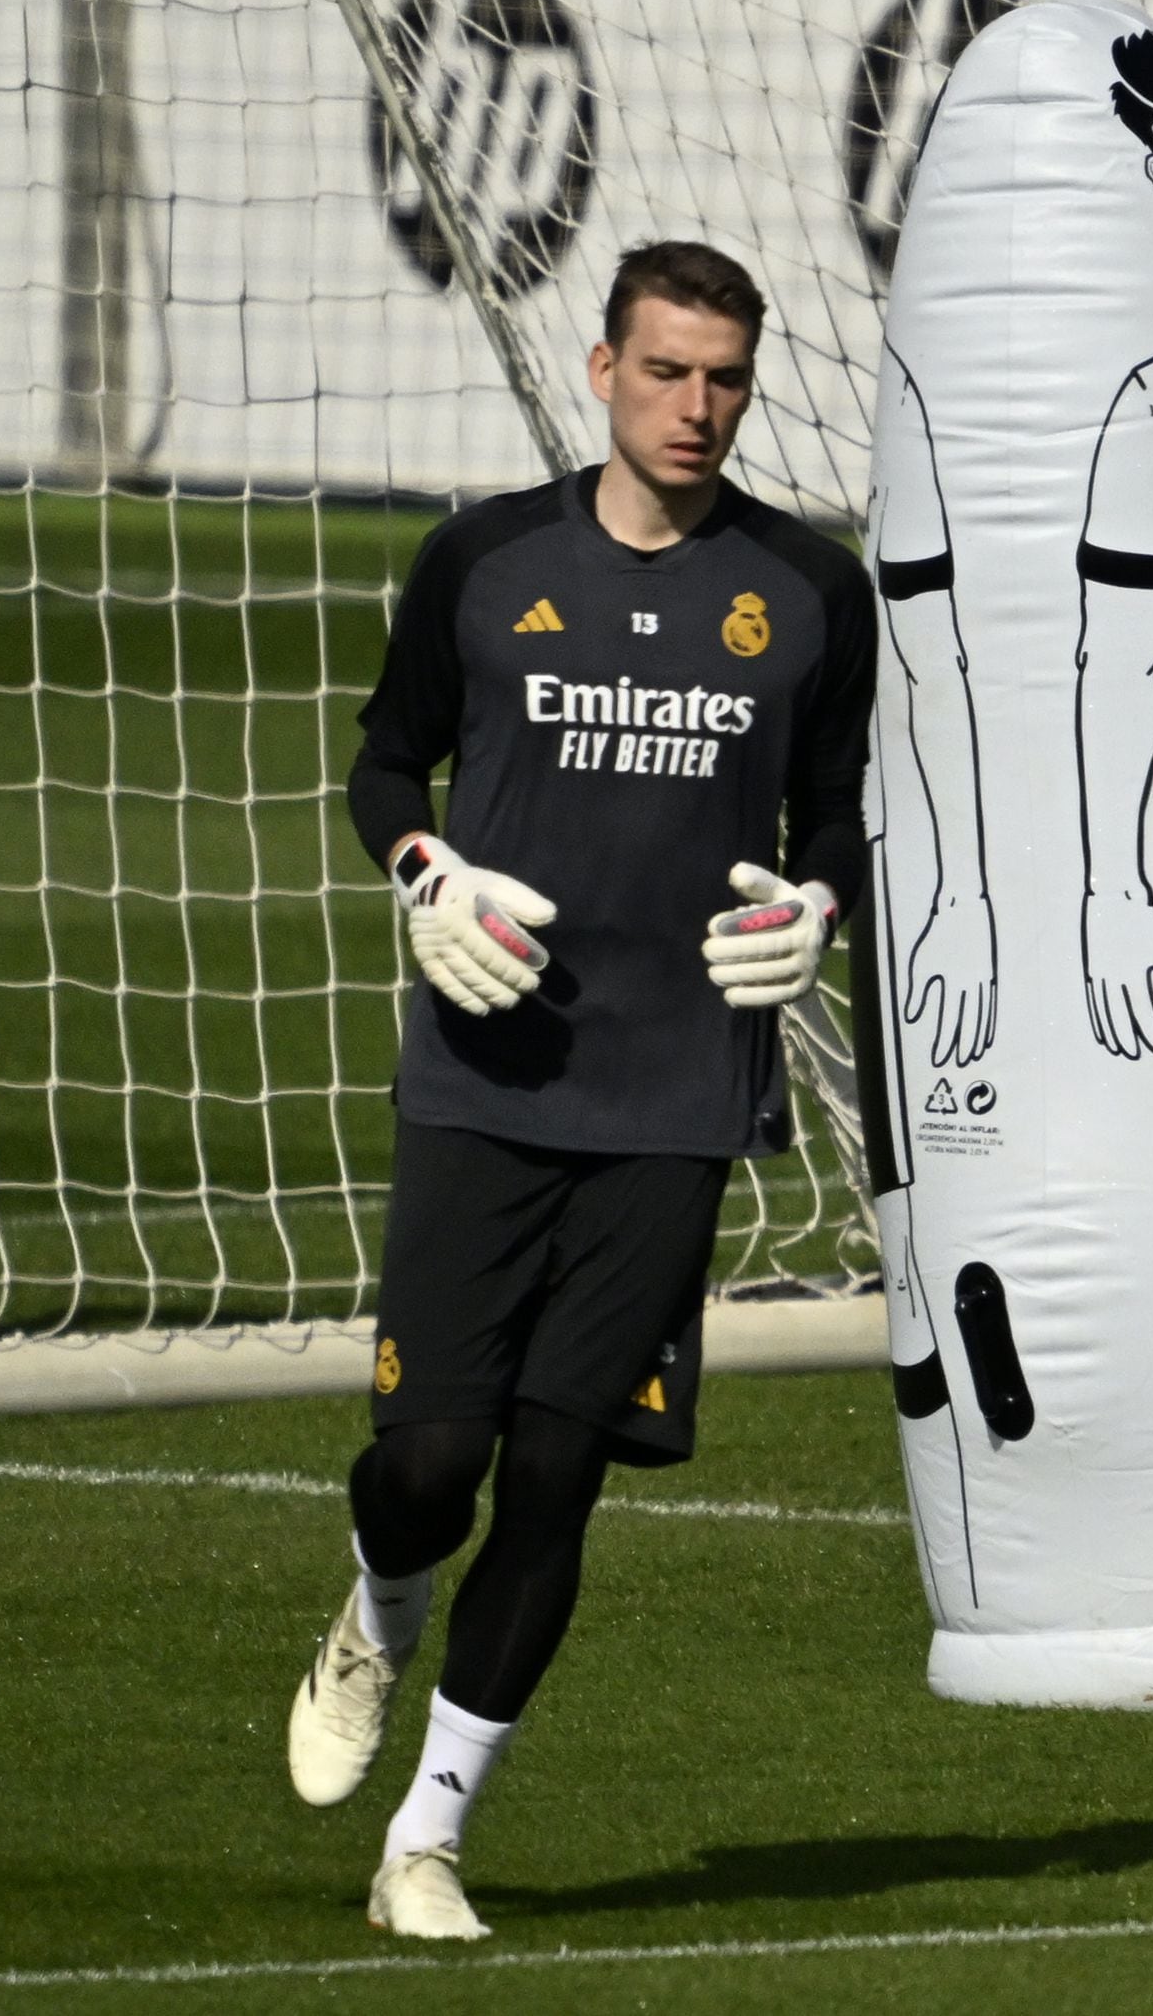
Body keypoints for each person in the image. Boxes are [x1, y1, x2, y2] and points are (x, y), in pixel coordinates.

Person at [283, 241, 876, 1938]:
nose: (699, 408)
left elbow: (839, 811)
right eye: (670, 371)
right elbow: (386, 755)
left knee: (554, 1476)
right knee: (432, 1459)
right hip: (486, 1072)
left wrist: (818, 904)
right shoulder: (483, 559)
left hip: (677, 1094)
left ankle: (427, 1843)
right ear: (603, 364)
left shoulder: (807, 591)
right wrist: (421, 869)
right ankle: (380, 1607)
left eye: (729, 380)